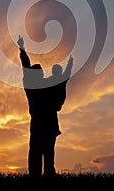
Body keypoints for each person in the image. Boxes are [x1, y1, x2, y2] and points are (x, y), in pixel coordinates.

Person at [17, 35, 73, 178]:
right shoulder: (38, 86)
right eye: (41, 72)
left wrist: (22, 49)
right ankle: (43, 177)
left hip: (41, 125)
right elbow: (26, 66)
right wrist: (22, 50)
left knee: (41, 155)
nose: (43, 73)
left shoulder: (36, 86)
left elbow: (62, 79)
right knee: (46, 155)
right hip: (45, 125)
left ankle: (39, 177)